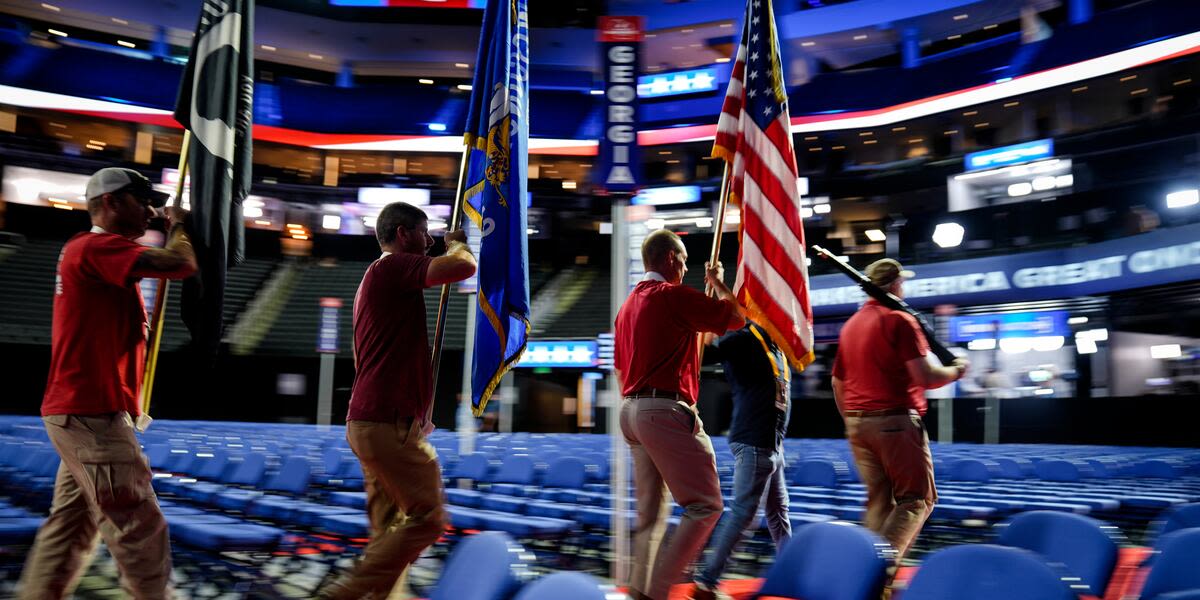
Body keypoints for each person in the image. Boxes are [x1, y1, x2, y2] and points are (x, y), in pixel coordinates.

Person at [19, 167, 197, 600]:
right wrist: (182, 228)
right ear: (112, 202)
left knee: (70, 529)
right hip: (92, 414)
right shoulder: (96, 247)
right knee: (139, 524)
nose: (152, 211)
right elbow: (180, 263)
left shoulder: (90, 251)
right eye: (143, 201)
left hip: (79, 412)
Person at [318, 202, 476, 600]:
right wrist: (458, 245)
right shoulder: (391, 266)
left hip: (369, 421)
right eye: (424, 233)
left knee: (388, 529)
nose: (429, 241)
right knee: (429, 518)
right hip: (388, 422)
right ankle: (342, 594)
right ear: (404, 233)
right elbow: (461, 269)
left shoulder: (373, 279)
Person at [614, 229, 744, 600]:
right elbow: (735, 318)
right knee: (706, 506)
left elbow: (623, 367)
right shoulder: (671, 296)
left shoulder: (627, 306)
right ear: (670, 258)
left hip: (631, 411)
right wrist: (718, 282)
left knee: (651, 516)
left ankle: (639, 591)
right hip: (664, 408)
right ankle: (658, 592)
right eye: (684, 261)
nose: (686, 269)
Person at [831, 259, 967, 565]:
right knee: (916, 500)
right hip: (894, 420)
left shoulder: (852, 325)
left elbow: (837, 382)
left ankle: (857, 575)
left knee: (879, 501)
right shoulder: (901, 320)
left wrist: (852, 420)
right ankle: (877, 574)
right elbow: (926, 377)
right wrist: (957, 369)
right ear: (896, 285)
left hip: (857, 423)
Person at [692, 324, 792, 600]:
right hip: (755, 441)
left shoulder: (775, 346)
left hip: (772, 443)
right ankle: (706, 582)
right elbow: (710, 347)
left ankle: (791, 569)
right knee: (744, 514)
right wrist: (716, 310)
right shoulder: (744, 340)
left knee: (777, 512)